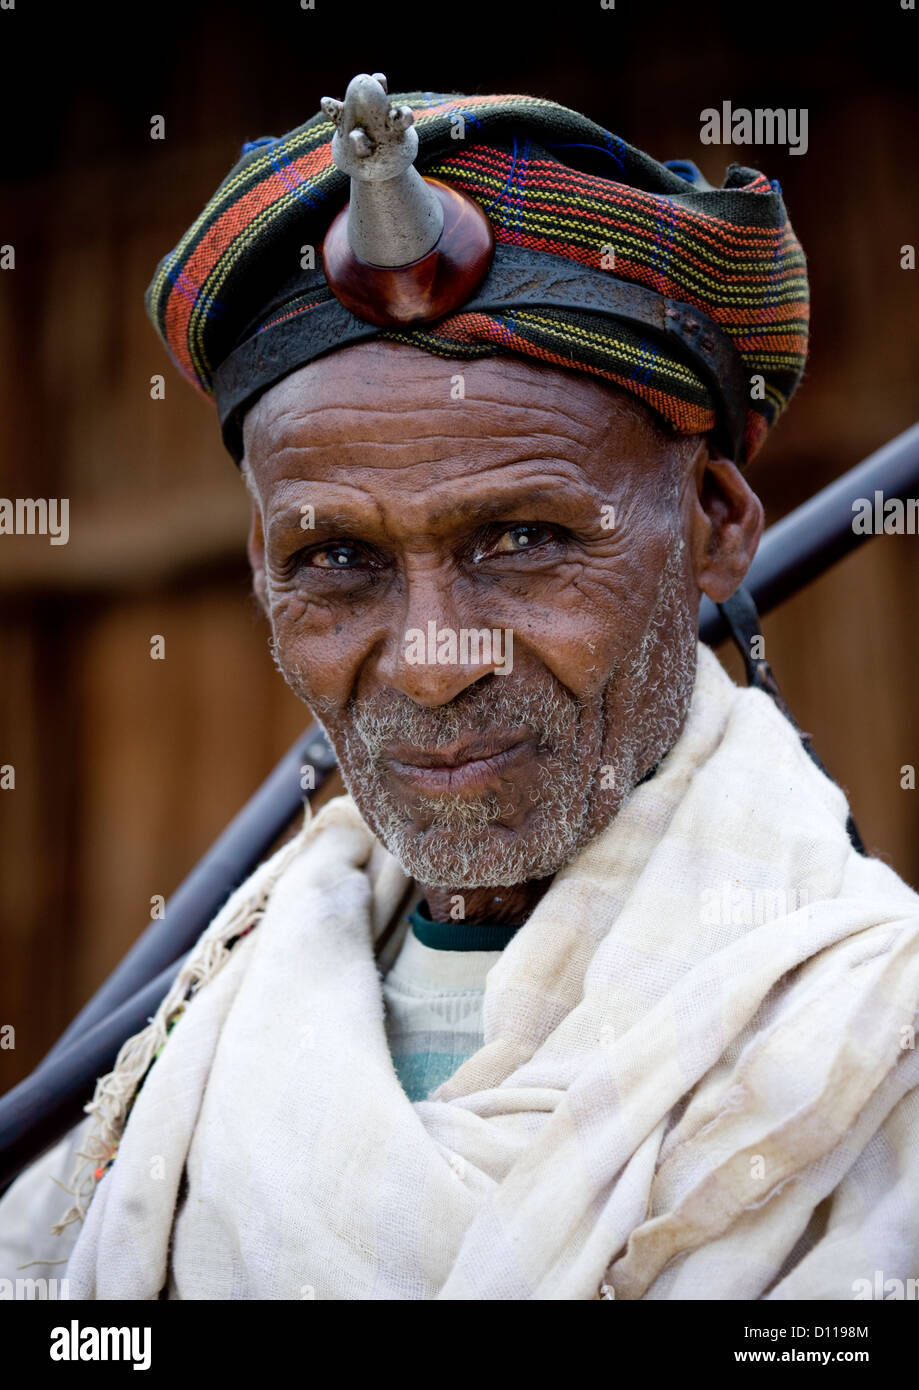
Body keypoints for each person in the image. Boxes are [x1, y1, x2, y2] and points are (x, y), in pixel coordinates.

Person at [2, 76, 918, 1301]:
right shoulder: (175, 1061)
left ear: (712, 525)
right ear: (262, 575)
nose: (432, 661)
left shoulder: (877, 1043)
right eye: (337, 561)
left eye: (524, 539)